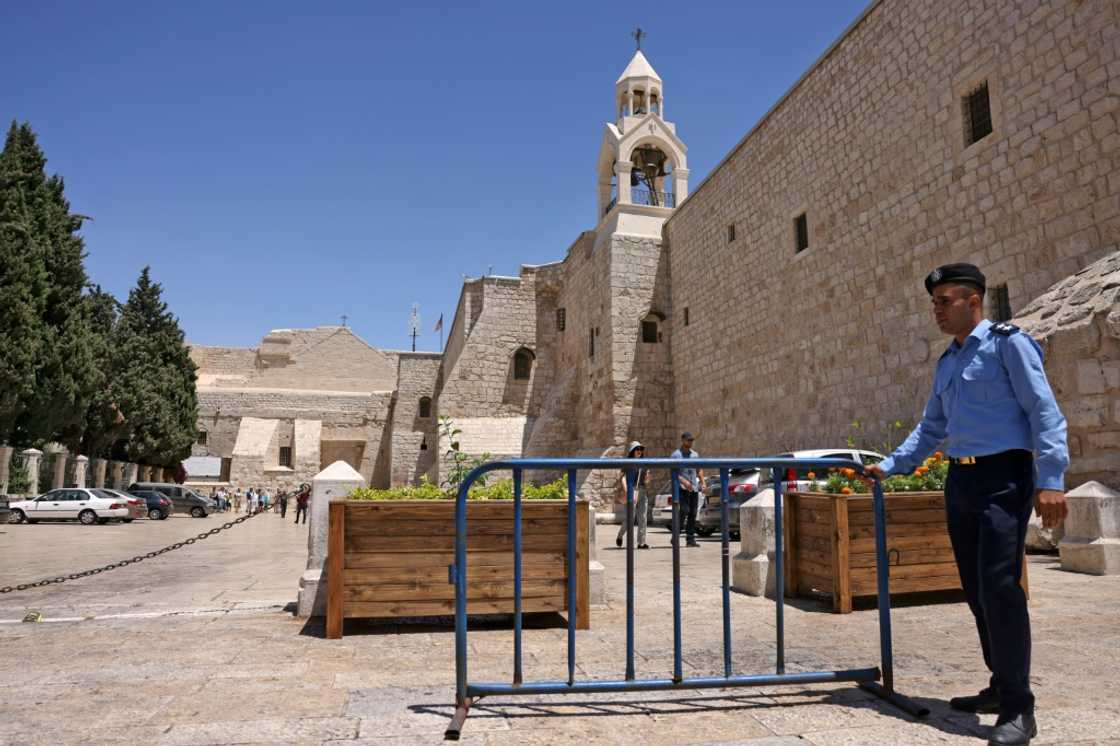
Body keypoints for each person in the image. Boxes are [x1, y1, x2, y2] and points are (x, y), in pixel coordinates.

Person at [865, 263, 1068, 746]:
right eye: (934, 303)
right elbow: (931, 427)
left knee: (1001, 586)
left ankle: (1020, 707)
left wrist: (1052, 477)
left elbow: (1044, 409)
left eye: (945, 301)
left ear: (973, 301)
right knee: (976, 589)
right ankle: (1000, 685)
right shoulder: (948, 362)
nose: (936, 310)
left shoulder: (1007, 344)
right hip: (962, 479)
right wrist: (891, 465)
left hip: (1004, 475)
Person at [670, 432, 704, 547]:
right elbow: (673, 472)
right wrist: (684, 482)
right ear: (683, 440)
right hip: (681, 488)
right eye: (688, 440)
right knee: (684, 510)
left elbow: (699, 469)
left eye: (691, 440)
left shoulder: (695, 455)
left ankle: (690, 539)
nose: (690, 442)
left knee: (693, 513)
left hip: (694, 488)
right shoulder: (676, 455)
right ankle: (676, 535)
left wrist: (703, 483)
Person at [615, 441, 651, 550]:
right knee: (630, 517)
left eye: (641, 449)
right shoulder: (628, 463)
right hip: (632, 491)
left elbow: (647, 479)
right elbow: (623, 478)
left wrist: (648, 479)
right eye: (637, 449)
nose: (639, 451)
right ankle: (620, 535)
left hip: (643, 491)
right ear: (632, 451)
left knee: (643, 517)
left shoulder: (644, 463)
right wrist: (627, 490)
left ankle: (641, 542)